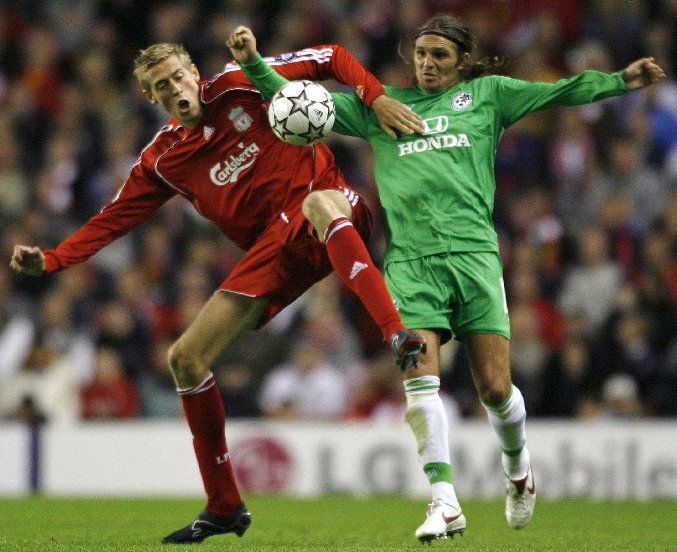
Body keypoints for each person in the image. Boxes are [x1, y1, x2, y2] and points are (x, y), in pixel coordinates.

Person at [229, 14, 666, 542]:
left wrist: (622, 80)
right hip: (411, 266)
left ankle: (519, 470)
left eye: (439, 56)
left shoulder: (489, 95)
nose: (428, 65)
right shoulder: (381, 108)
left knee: (495, 390)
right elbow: (297, 103)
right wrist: (254, 62)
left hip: (476, 259)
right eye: (420, 55)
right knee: (420, 383)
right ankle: (444, 500)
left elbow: (561, 92)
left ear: (461, 60)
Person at [9, 38, 427, 544]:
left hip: (334, 205)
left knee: (320, 205)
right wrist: (53, 258)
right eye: (162, 85)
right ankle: (225, 504)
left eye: (180, 75)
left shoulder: (238, 83)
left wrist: (376, 95)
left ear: (193, 71)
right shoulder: (163, 160)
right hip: (274, 250)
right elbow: (111, 220)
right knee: (185, 358)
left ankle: (398, 334)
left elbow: (330, 57)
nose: (176, 87)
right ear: (151, 97)